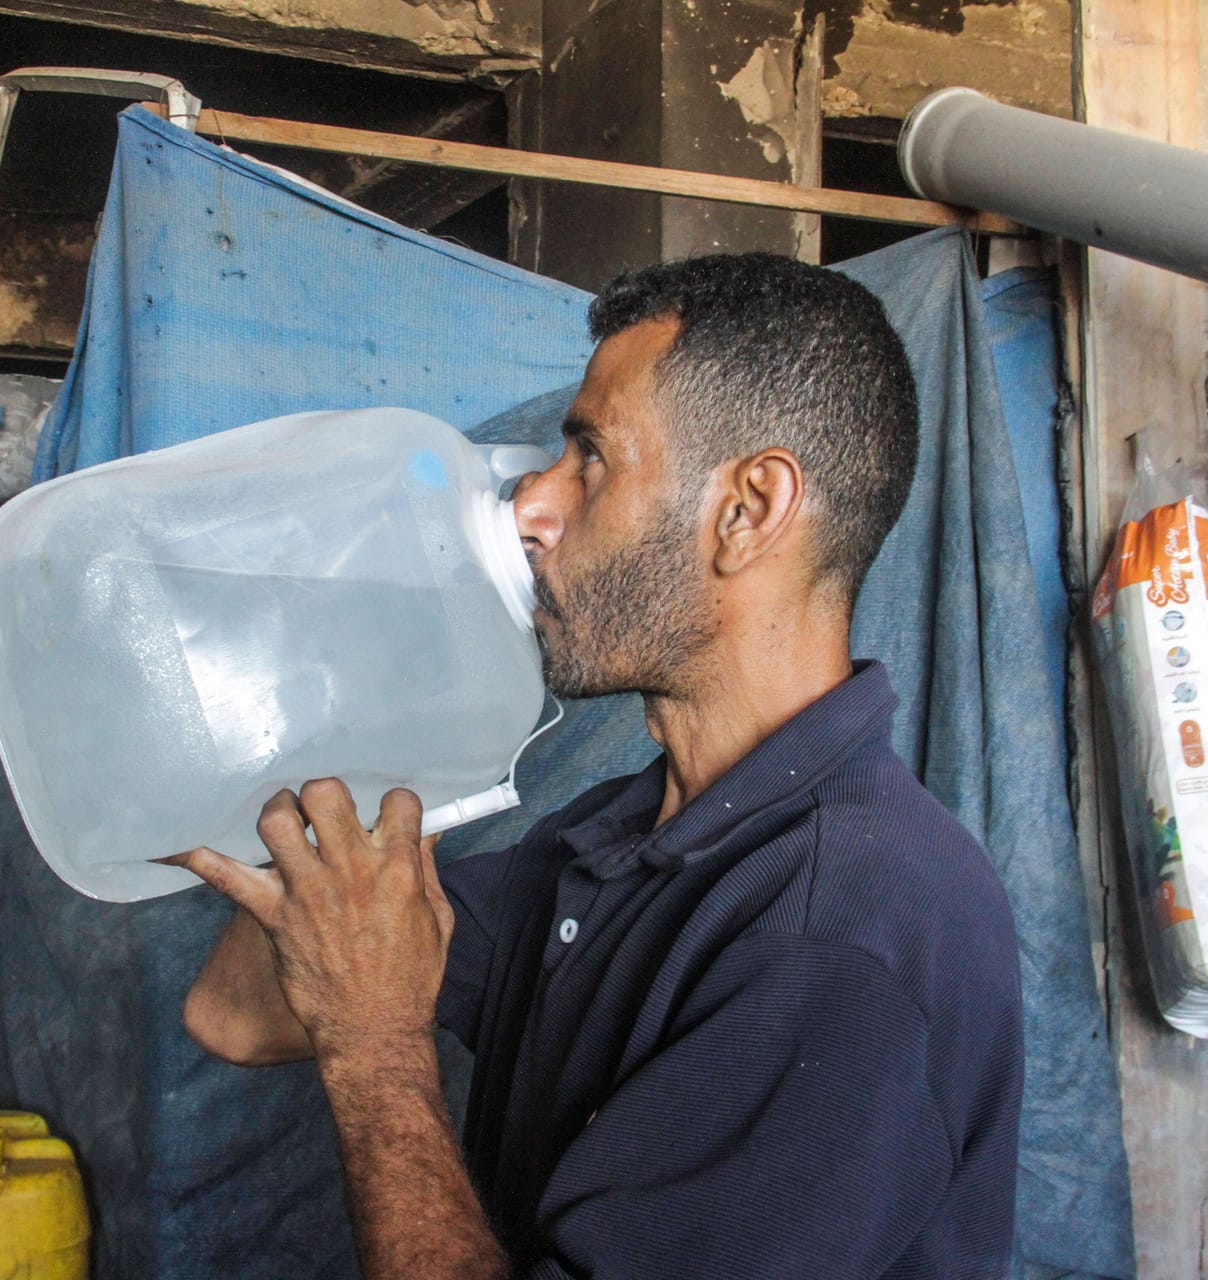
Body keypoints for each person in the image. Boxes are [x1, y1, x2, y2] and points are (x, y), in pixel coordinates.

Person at [166, 253, 1023, 1280]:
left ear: (748, 509)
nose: (532, 502)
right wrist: (393, 690)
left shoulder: (855, 931)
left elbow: (358, 1021)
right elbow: (238, 1013)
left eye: (590, 458)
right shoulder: (620, 836)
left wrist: (378, 1047)